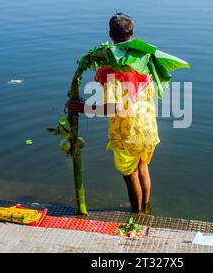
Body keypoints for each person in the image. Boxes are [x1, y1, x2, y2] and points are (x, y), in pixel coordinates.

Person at [67, 12, 159, 214]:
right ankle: (144, 206)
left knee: (130, 175)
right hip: (147, 125)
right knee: (142, 168)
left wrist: (84, 108)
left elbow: (117, 108)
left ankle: (137, 214)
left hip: (128, 132)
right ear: (132, 33)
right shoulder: (142, 57)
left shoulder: (113, 69)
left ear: (110, 34)